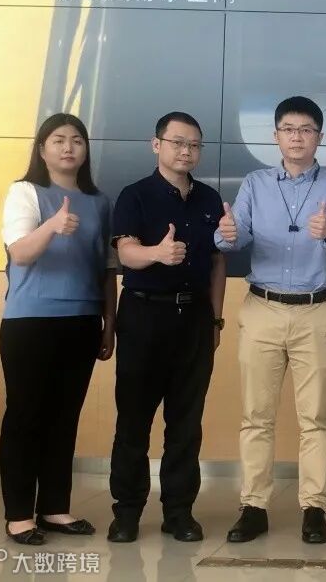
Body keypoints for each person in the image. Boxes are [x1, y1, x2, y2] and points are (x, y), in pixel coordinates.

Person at [216, 96, 326, 545]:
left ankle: (314, 508)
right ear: (276, 136)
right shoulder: (255, 183)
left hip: (316, 310)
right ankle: (253, 506)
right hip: (263, 309)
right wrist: (227, 234)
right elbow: (233, 236)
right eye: (289, 129)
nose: (297, 137)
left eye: (306, 130)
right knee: (256, 415)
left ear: (320, 137)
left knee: (315, 416)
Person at [107, 111, 226, 543]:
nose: (186, 151)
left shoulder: (210, 199)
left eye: (194, 144)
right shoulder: (135, 195)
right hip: (143, 316)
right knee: (133, 420)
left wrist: (215, 319)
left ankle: (179, 512)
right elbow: (125, 252)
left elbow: (217, 262)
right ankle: (127, 512)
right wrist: (156, 253)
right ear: (156, 145)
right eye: (177, 142)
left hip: (194, 319)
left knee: (186, 423)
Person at [0, 113, 117, 545]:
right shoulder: (25, 191)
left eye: (77, 140)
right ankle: (18, 514)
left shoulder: (99, 202)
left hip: (83, 321)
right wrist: (51, 225)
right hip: (30, 321)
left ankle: (53, 508)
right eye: (59, 140)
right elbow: (20, 253)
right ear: (42, 149)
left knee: (65, 418)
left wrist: (109, 323)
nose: (69, 147)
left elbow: (107, 270)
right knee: (25, 415)